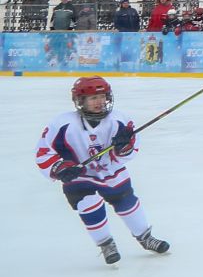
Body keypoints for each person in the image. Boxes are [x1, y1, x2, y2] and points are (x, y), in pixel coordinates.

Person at [35, 75, 171, 265]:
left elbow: (130, 151)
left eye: (102, 96)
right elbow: (43, 151)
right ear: (80, 102)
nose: (100, 102)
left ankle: (146, 237)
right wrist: (59, 168)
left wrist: (124, 147)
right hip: (79, 175)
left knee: (127, 203)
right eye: (93, 98)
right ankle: (106, 244)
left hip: (111, 171)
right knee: (87, 204)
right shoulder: (62, 124)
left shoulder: (118, 120)